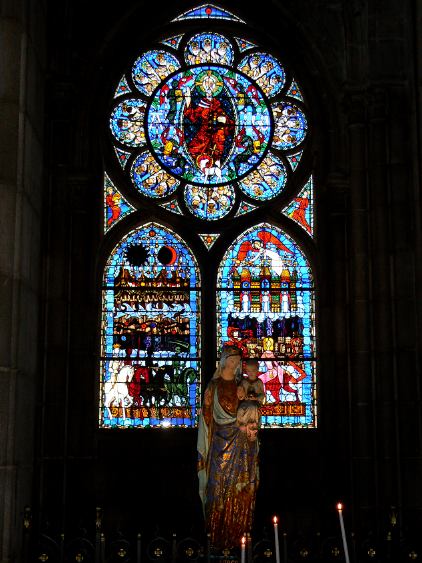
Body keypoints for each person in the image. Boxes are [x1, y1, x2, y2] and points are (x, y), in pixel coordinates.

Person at [197, 346, 259, 549]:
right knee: (217, 487)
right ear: (224, 361)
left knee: (241, 487)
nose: (235, 364)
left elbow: (253, 410)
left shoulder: (243, 385)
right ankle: (215, 536)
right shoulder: (213, 386)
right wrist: (206, 407)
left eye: (237, 361)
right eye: (232, 360)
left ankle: (237, 535)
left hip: (241, 444)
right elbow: (206, 418)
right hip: (219, 443)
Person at [237, 358, 265, 441]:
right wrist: (243, 396)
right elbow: (240, 395)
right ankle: (242, 424)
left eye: (253, 370)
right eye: (248, 371)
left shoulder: (259, 382)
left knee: (252, 407)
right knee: (240, 410)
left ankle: (251, 425)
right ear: (246, 371)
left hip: (255, 404)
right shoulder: (244, 382)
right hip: (245, 403)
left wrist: (256, 397)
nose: (251, 373)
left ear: (257, 370)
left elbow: (262, 395)